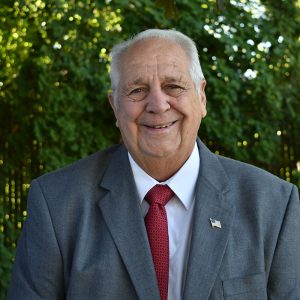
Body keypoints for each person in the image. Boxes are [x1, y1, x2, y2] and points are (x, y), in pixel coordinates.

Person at [7, 29, 300, 300]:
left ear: (201, 97)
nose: (158, 104)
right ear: (115, 106)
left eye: (173, 86)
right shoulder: (57, 204)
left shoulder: (273, 204)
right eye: (137, 90)